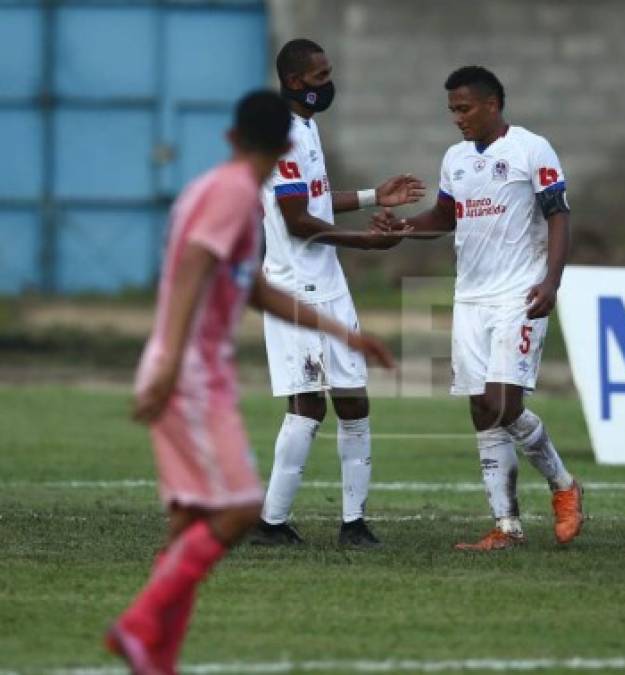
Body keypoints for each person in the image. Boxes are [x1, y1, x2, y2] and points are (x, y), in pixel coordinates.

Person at [106, 90, 394, 674]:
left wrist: (342, 333)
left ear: (231, 138)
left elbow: (254, 290)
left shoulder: (212, 189)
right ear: (286, 145)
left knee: (188, 524)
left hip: (181, 366)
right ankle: (140, 622)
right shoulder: (234, 193)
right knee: (238, 511)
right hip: (189, 374)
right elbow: (191, 274)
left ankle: (155, 653)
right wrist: (167, 366)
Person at [371, 66, 583, 551]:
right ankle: (506, 527)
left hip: (519, 294)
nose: (457, 119)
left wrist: (551, 279)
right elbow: (445, 217)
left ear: (492, 105)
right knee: (483, 410)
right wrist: (405, 228)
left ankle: (564, 485)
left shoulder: (532, 149)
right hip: (470, 297)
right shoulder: (456, 159)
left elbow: (558, 215)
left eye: (463, 109)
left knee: (504, 403)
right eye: (451, 110)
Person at [251, 39, 425, 548]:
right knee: (309, 405)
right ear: (294, 80)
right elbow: (299, 222)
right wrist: (368, 243)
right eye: (320, 75)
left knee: (353, 400)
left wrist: (374, 196)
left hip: (329, 283)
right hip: (295, 288)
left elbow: (317, 201)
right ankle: (272, 524)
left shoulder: (306, 125)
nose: (328, 83)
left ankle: (354, 524)